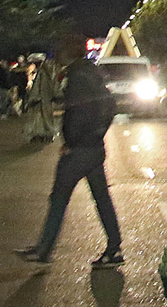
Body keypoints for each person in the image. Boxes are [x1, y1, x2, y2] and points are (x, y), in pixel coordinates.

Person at [14, 58, 124, 266]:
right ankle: (114, 247)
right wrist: (98, 134)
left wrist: (71, 142)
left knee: (59, 197)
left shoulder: (77, 79)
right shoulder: (94, 77)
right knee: (101, 198)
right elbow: (109, 106)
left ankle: (44, 249)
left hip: (79, 151)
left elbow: (75, 115)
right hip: (94, 148)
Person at [25, 56, 60, 142]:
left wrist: (34, 97)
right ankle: (45, 134)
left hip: (42, 99)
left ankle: (45, 134)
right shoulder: (46, 72)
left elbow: (39, 87)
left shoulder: (42, 73)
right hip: (45, 99)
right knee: (45, 117)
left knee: (41, 117)